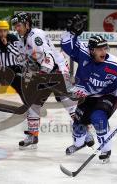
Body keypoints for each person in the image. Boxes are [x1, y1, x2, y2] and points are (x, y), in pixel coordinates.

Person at [11, 12, 94, 150]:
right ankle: (33, 135)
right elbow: (27, 61)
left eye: (19, 25)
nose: (17, 28)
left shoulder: (35, 35)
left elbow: (48, 57)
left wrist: (41, 73)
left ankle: (86, 133)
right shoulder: (22, 40)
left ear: (27, 24)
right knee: (33, 104)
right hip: (44, 73)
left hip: (57, 71)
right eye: (15, 25)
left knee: (70, 105)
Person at [61, 15, 117, 162]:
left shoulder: (114, 64)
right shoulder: (83, 54)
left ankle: (106, 150)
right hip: (88, 95)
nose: (103, 51)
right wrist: (71, 32)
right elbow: (66, 45)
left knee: (98, 118)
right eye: (99, 48)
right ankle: (80, 143)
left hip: (109, 96)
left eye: (105, 47)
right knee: (78, 122)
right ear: (91, 50)